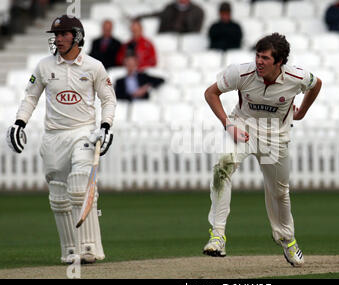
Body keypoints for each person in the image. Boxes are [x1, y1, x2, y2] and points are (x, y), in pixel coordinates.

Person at [202, 33, 322, 267]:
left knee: (279, 192)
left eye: (265, 58)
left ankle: (287, 239)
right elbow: (210, 93)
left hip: (276, 136)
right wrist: (228, 125)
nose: (259, 61)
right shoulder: (241, 72)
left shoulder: (297, 77)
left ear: (279, 62)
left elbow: (317, 85)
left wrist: (303, 112)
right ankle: (218, 235)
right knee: (222, 168)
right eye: (258, 55)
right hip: (243, 127)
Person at [6, 14, 116, 264]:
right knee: (58, 196)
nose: (57, 39)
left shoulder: (94, 66)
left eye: (63, 34)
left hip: (83, 132)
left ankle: (88, 247)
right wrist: (19, 122)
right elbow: (30, 97)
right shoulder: (44, 66)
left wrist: (106, 126)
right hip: (54, 136)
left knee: (79, 186)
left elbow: (108, 99)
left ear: (76, 36)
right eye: (55, 35)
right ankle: (70, 250)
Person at [139, 0, 204, 34]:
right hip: (169, 35)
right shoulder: (170, 8)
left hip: (187, 37)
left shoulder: (197, 11)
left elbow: (196, 30)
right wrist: (139, 17)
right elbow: (157, 14)